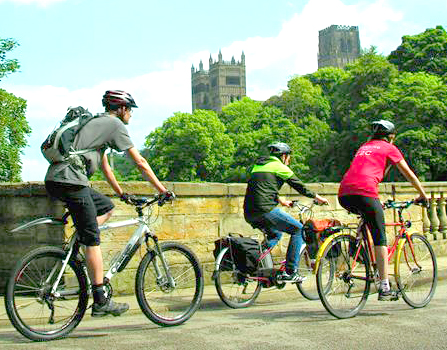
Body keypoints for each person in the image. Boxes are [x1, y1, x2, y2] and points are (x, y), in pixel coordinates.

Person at [45, 90, 171, 317]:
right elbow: (140, 162)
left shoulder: (95, 124)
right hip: (72, 181)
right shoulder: (114, 125)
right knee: (93, 239)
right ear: (122, 108)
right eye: (130, 110)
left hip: (58, 178)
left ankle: (82, 236)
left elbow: (106, 167)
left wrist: (121, 193)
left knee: (106, 206)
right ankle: (100, 299)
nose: (131, 115)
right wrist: (162, 190)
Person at [338, 120, 428, 301]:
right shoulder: (389, 148)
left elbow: (370, 170)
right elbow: (408, 173)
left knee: (368, 218)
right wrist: (423, 195)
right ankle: (384, 287)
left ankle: (359, 249)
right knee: (380, 237)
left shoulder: (364, 147)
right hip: (366, 192)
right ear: (391, 136)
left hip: (344, 193)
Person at [243, 142, 328, 282]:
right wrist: (317, 197)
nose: (289, 160)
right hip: (265, 210)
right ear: (283, 156)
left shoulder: (258, 166)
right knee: (298, 230)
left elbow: (262, 188)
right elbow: (299, 185)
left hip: (249, 212)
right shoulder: (279, 166)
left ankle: (252, 260)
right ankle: (290, 271)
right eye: (288, 157)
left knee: (275, 234)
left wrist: (281, 201)